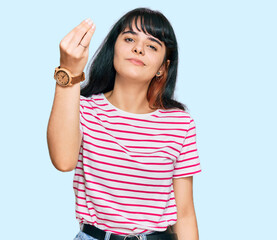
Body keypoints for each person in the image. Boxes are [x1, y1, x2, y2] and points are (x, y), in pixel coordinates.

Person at [47, 7, 202, 240]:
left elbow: (186, 213)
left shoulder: (179, 123)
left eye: (152, 45)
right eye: (129, 38)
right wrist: (69, 70)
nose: (138, 48)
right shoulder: (83, 110)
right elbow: (63, 161)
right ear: (113, 49)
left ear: (162, 67)